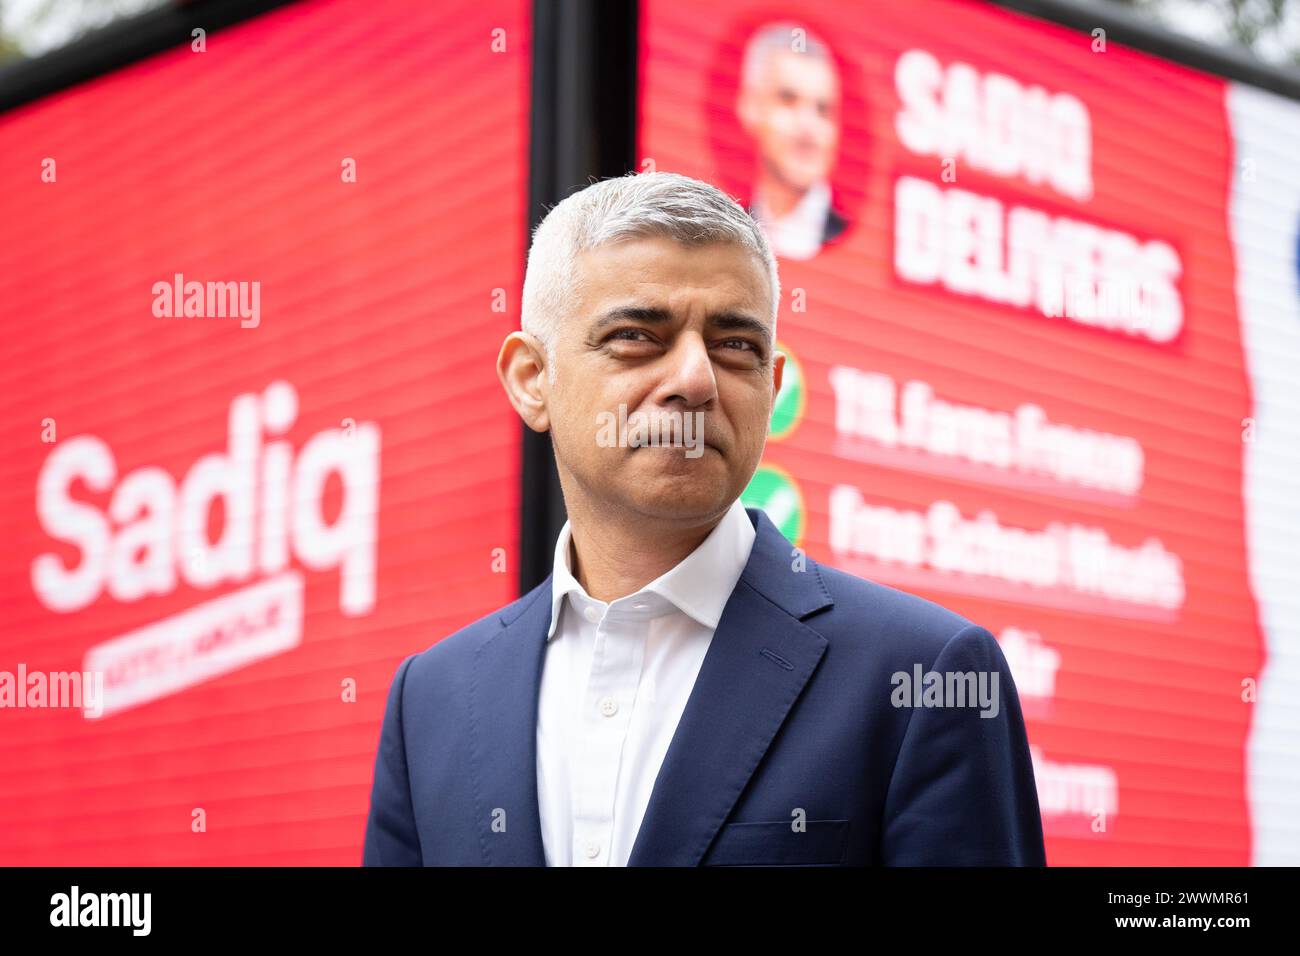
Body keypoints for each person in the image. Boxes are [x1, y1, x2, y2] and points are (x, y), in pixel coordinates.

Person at [362, 171, 1045, 866]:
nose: (695, 379)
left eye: (735, 346)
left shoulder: (928, 675)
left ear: (772, 388)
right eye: (636, 335)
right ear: (532, 379)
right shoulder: (432, 702)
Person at [736, 22, 851, 260]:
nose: (808, 128)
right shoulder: (727, 237)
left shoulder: (849, 243)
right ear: (750, 107)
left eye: (823, 110)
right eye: (788, 100)